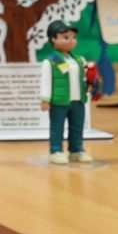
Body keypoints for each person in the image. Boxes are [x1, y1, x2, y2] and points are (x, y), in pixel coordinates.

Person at [39, 21, 97, 165]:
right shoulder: (50, 61)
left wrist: (88, 84)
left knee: (77, 126)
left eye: (73, 37)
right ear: (53, 39)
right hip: (59, 101)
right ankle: (56, 150)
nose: (71, 41)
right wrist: (45, 99)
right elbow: (46, 81)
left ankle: (76, 150)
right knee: (57, 127)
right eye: (66, 37)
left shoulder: (78, 60)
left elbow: (82, 77)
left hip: (78, 100)